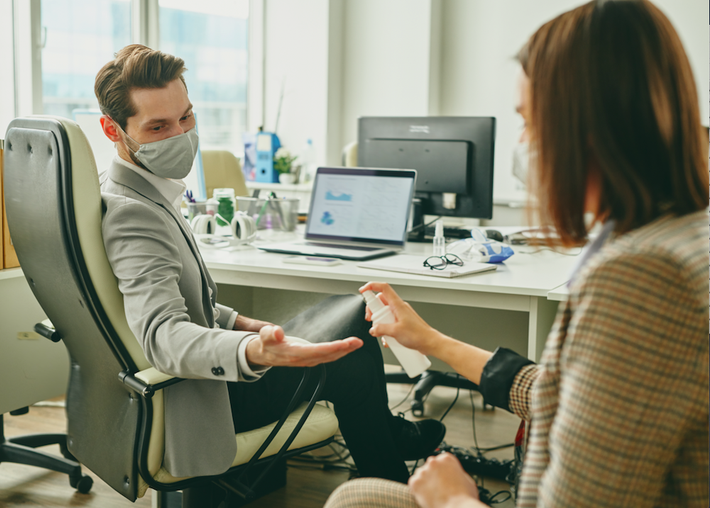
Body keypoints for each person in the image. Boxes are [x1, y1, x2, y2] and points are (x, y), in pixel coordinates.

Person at [325, 0, 709, 507]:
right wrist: (429, 339)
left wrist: (454, 499)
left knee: (356, 501)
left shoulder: (640, 274)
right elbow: (563, 395)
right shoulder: (679, 233)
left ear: (590, 125)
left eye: (531, 121)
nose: (525, 144)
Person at [93, 44, 445, 483]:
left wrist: (246, 324)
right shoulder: (132, 213)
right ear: (113, 130)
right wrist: (252, 351)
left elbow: (185, 300)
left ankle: (391, 441)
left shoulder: (142, 190)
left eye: (186, 117)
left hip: (210, 374)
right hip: (205, 397)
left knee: (354, 308)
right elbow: (162, 336)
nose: (180, 135)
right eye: (158, 126)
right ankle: (394, 479)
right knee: (350, 359)